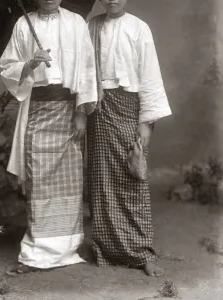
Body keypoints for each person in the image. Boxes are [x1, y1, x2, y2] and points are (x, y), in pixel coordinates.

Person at [0, 0, 97, 275]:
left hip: (68, 110)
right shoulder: (22, 24)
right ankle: (36, 252)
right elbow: (8, 67)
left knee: (69, 181)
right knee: (39, 181)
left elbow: (88, 67)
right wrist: (30, 63)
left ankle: (67, 249)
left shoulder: (76, 22)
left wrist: (81, 112)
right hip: (37, 110)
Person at [87, 0, 172, 276]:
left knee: (132, 179)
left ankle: (142, 253)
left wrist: (145, 123)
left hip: (129, 108)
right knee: (102, 180)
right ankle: (106, 249)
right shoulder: (91, 25)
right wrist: (90, 94)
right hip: (99, 109)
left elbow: (149, 77)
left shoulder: (139, 28)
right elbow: (84, 69)